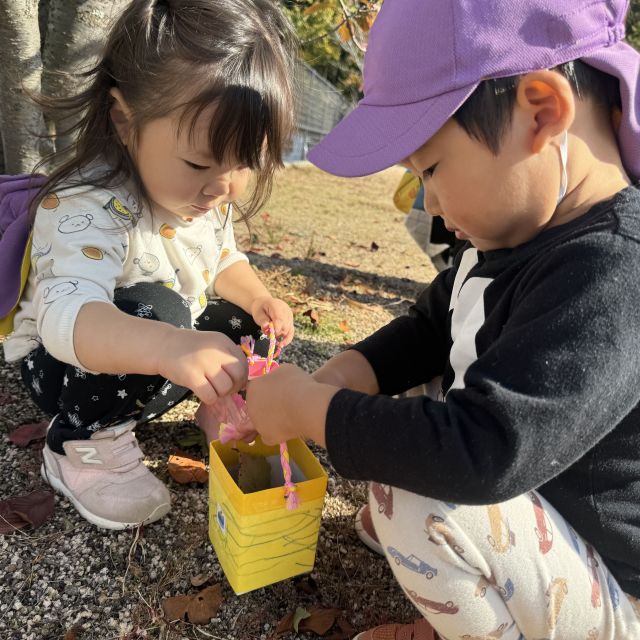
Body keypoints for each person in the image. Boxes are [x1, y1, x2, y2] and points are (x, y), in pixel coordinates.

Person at [244, 0, 640, 638]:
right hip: (544, 513)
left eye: (430, 168)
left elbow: (482, 451)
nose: (427, 202)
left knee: (417, 493)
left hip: (613, 587)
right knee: (416, 408)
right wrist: (346, 375)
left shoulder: (616, 270)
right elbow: (433, 329)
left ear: (541, 111)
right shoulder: (509, 239)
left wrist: (310, 413)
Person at [1, 0, 297, 531]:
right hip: (67, 364)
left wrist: (258, 298)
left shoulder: (204, 198)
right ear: (124, 120)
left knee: (242, 323)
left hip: (159, 347)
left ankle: (220, 407)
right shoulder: (84, 204)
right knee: (161, 309)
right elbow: (70, 317)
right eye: (200, 163)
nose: (222, 187)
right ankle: (78, 442)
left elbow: (223, 259)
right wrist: (169, 345)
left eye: (244, 164)